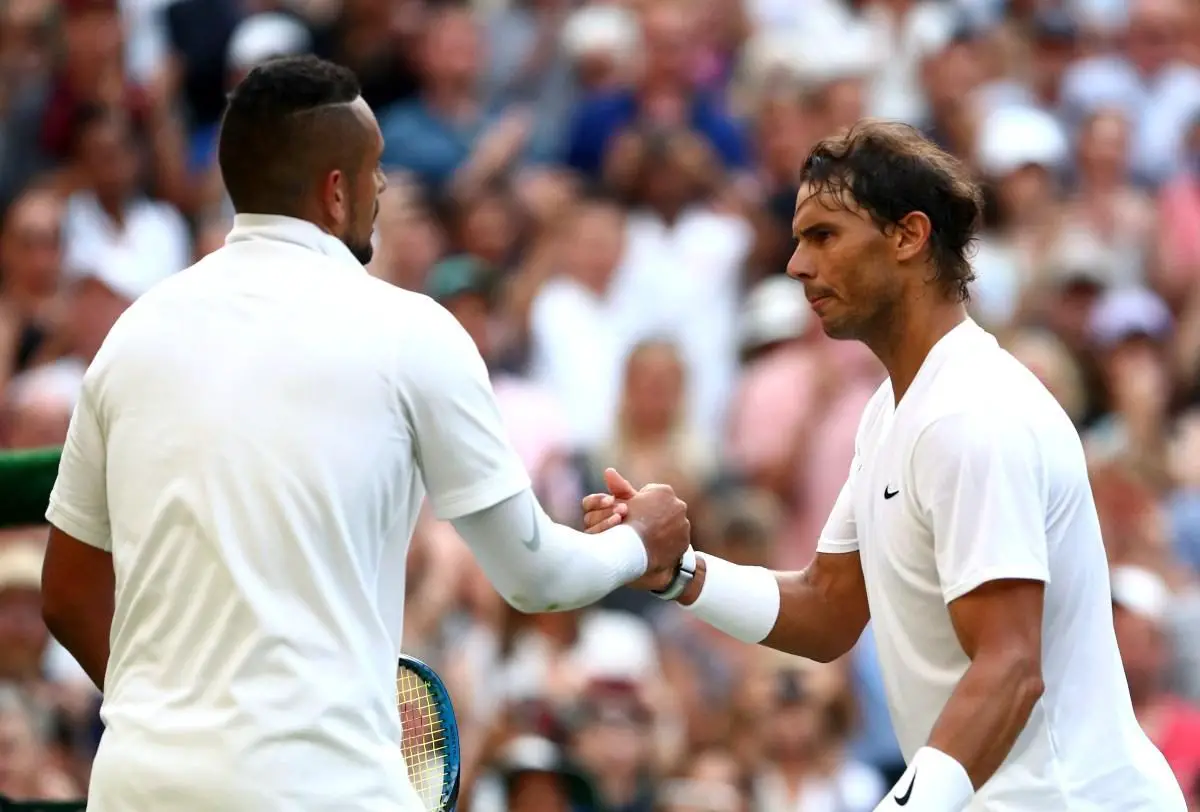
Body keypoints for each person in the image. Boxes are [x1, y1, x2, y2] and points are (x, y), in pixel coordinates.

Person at [37, 55, 691, 812]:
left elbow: (68, 592)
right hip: (323, 790)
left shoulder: (132, 334)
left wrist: (170, 722)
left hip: (138, 785)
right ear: (336, 190)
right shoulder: (412, 332)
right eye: (375, 168)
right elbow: (534, 577)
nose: (383, 187)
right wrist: (640, 541)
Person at [581, 120, 1187, 811]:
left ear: (908, 236)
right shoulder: (893, 410)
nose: (796, 265)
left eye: (823, 236)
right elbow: (828, 609)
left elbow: (1011, 668)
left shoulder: (971, 415)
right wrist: (679, 571)